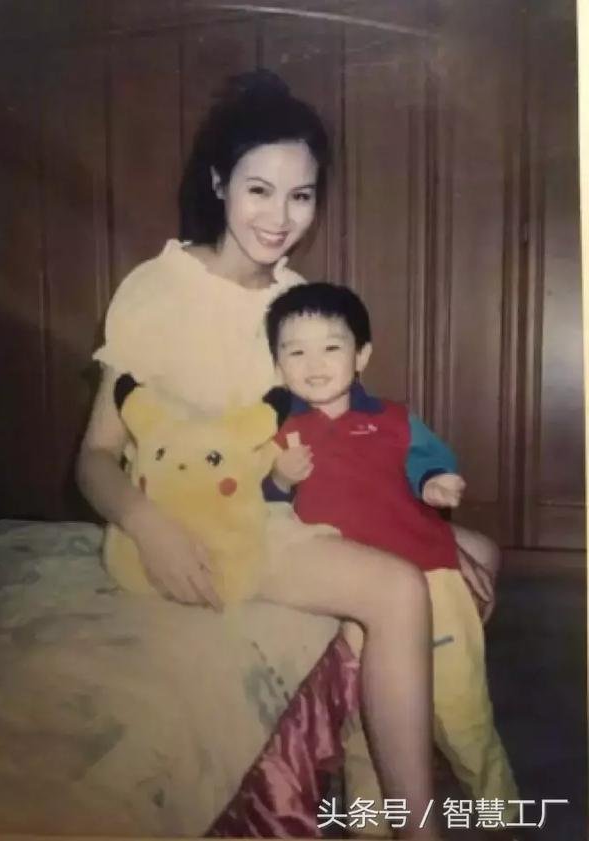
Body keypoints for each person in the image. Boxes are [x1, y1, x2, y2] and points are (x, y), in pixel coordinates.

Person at [76, 68, 478, 840]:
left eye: (301, 195)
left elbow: (337, 439)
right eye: (259, 190)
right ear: (219, 182)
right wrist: (148, 526)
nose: (280, 216)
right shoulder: (158, 289)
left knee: (473, 552)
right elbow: (94, 457)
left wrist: (421, 512)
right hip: (201, 528)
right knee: (399, 590)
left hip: (280, 510)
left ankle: (382, 781)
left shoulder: (295, 300)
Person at [262, 281, 520, 830]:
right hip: (353, 594)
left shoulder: (394, 418)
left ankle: (500, 813)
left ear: (361, 355)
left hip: (430, 582)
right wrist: (278, 480)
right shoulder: (277, 433)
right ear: (277, 364)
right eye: (295, 351)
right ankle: (372, 827)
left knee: (463, 716)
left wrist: (434, 483)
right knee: (365, 732)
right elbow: (263, 511)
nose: (313, 364)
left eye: (331, 347)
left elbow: (428, 459)